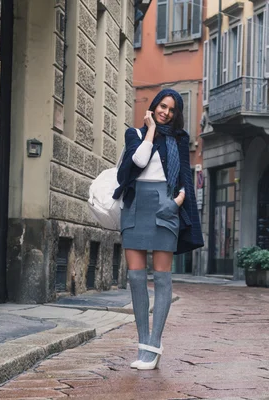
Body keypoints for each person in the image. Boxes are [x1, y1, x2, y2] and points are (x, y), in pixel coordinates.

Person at [113, 89, 203, 370]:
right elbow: (137, 163)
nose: (166, 112)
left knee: (162, 278)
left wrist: (177, 202)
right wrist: (151, 130)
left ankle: (154, 343)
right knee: (137, 278)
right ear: (153, 107)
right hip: (135, 206)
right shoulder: (135, 135)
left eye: (172, 109)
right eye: (162, 106)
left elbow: (185, 177)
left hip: (165, 206)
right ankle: (143, 347)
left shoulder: (179, 140)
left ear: (177, 114)